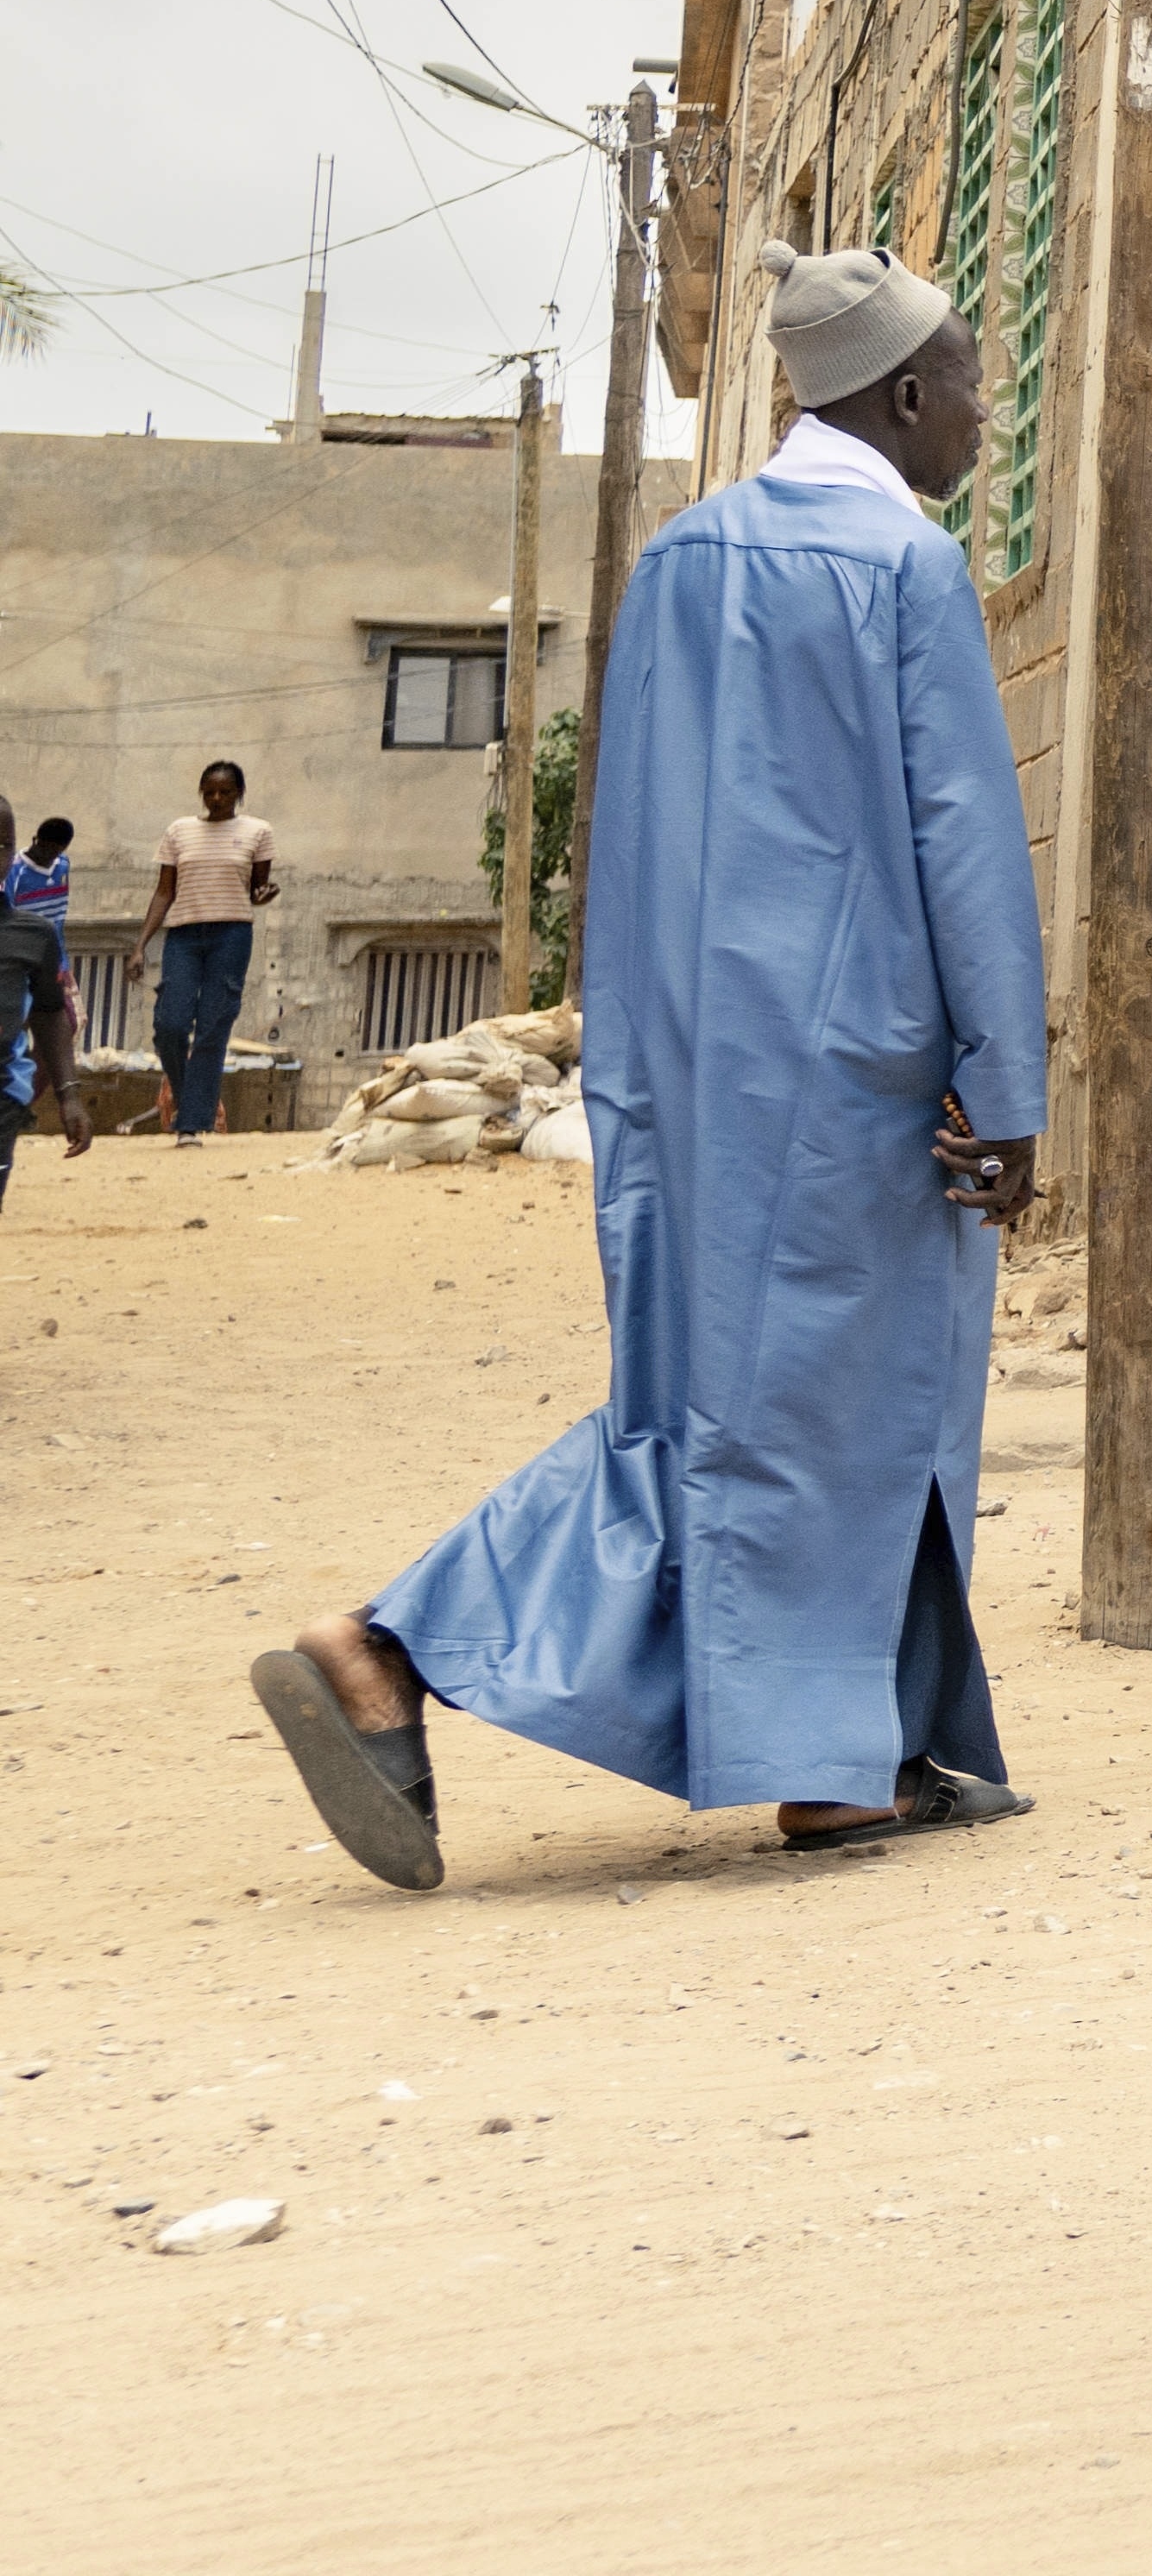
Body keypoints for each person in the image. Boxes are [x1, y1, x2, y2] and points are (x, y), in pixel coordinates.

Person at [254, 246, 1051, 1886]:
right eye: (969, 377)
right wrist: (1011, 1085)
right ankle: (392, 1642)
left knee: (724, 1399)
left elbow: (635, 837)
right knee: (832, 1403)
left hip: (689, 1065)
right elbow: (964, 835)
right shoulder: (904, 564)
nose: (983, 406)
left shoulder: (683, 561)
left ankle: (847, 1760)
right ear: (904, 392)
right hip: (866, 1064)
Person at [148, 760, 280, 1137]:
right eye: (209, 792)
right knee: (169, 1025)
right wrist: (141, 945)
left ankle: (190, 1122)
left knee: (212, 1027)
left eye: (225, 791)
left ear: (239, 793)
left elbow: (258, 889)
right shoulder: (179, 831)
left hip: (232, 936)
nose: (217, 798)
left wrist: (266, 893)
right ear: (201, 792)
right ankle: (191, 1098)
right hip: (184, 937)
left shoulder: (258, 831)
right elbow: (163, 892)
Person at [0, 818, 79, 1199]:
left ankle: (24, 1108)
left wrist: (69, 1095)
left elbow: (49, 1013)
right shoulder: (19, 877)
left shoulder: (30, 934)